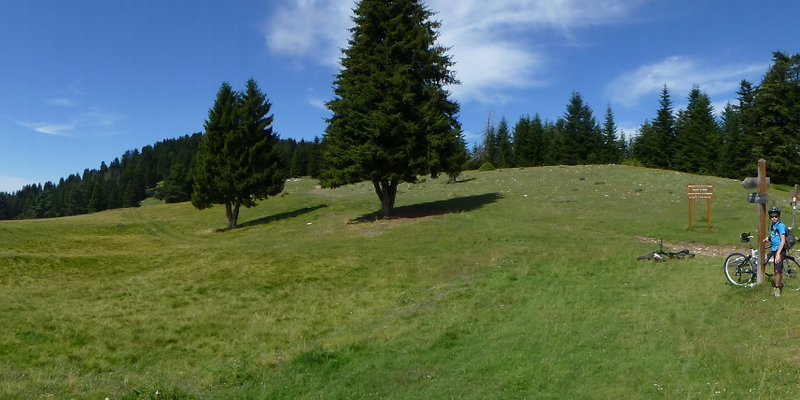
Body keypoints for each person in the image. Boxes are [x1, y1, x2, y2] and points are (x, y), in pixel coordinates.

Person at [765, 207, 787, 297]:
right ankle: (778, 285)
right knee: (775, 269)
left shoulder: (780, 226)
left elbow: (783, 240)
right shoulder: (773, 225)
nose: (774, 218)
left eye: (776, 216)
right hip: (774, 249)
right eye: (772, 216)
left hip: (780, 250)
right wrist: (768, 238)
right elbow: (774, 235)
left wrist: (778, 253)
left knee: (777, 270)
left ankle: (777, 289)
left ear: (778, 216)